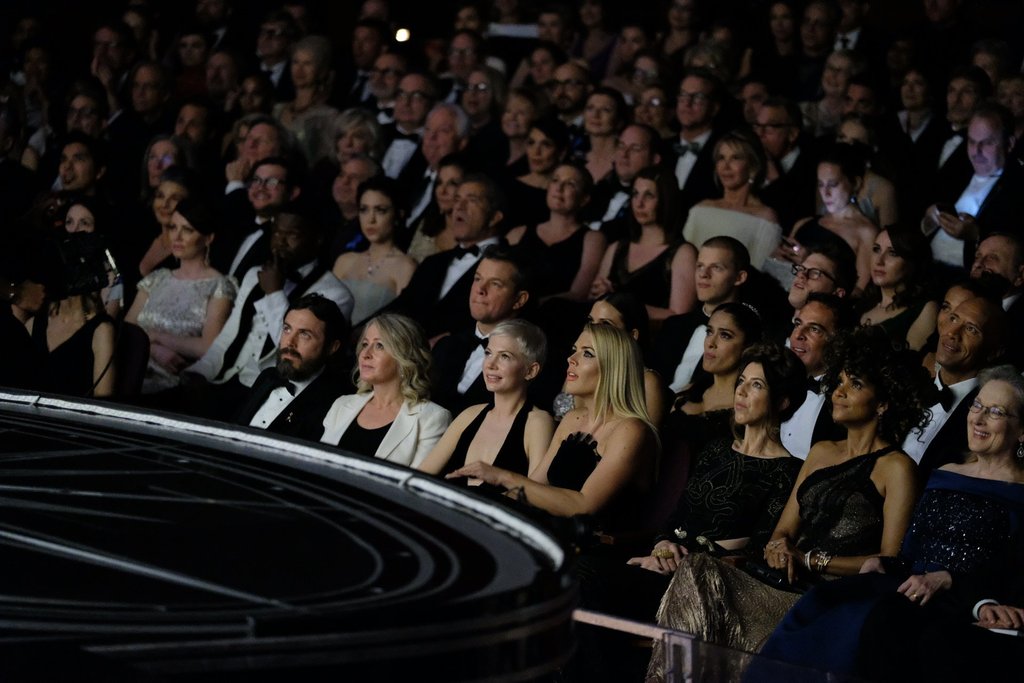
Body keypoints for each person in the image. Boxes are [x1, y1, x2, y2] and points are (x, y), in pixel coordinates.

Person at [647, 325, 930, 672]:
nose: (838, 393)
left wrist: (812, 560)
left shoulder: (897, 468)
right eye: (838, 381)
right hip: (778, 579)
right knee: (695, 572)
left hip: (829, 599)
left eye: (854, 384)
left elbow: (891, 563)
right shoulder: (822, 452)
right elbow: (782, 532)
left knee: (697, 575)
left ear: (884, 402)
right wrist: (780, 547)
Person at [761, 365, 1024, 681]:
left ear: (1021, 430)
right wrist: (883, 562)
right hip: (907, 584)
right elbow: (910, 551)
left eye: (995, 412)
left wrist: (952, 582)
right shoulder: (944, 472)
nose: (978, 419)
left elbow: (1008, 571)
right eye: (977, 405)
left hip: (957, 599)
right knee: (824, 603)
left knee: (879, 620)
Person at [446, 323, 658, 532]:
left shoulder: (632, 430)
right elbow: (534, 487)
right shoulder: (572, 419)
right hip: (551, 530)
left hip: (594, 549)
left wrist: (502, 477)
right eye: (574, 350)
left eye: (587, 354)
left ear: (614, 367)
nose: (570, 359)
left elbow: (585, 506)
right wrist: (481, 507)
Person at [627, 342, 806, 582]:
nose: (740, 391)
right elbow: (674, 520)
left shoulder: (787, 470)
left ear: (782, 402)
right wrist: (664, 547)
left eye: (756, 385)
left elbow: (758, 548)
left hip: (709, 581)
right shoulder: (716, 448)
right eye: (741, 381)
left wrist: (681, 560)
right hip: (664, 565)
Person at [418, 319, 555, 487]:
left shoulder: (538, 422)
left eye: (505, 356)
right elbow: (420, 476)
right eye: (488, 353)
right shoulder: (470, 414)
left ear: (531, 371)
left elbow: (536, 496)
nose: (490, 364)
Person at [125, 198, 237, 393]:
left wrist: (155, 336)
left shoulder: (219, 286)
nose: (176, 237)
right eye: (172, 227)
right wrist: (151, 348)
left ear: (208, 238)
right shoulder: (156, 278)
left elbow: (208, 346)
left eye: (187, 230)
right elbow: (125, 331)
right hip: (130, 371)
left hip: (174, 387)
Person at [320, 313, 452, 468]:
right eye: (364, 344)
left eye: (379, 345)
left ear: (405, 358)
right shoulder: (341, 404)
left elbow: (413, 487)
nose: (365, 354)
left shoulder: (432, 418)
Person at [232, 294, 350, 442]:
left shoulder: (335, 405)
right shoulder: (267, 377)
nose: (289, 342)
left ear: (332, 347)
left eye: (305, 335)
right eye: (287, 329)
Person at [590, 165, 697, 321]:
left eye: (649, 195)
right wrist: (599, 292)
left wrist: (620, 304)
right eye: (635, 194)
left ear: (666, 199)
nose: (639, 203)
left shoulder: (682, 253)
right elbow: (592, 299)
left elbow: (679, 316)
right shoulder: (617, 248)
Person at [781, 143, 878, 293]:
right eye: (821, 184)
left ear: (855, 183)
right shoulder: (804, 223)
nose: (825, 193)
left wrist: (810, 264)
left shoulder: (866, 232)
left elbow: (858, 290)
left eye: (833, 184)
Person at [668, 301, 764, 451]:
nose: (710, 343)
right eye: (709, 332)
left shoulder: (748, 410)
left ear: (748, 347)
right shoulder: (688, 392)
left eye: (725, 335)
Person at [682, 128, 782, 269]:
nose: (726, 166)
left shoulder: (765, 218)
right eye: (721, 158)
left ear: (752, 165)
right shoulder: (699, 210)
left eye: (735, 158)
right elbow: (683, 263)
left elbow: (762, 273)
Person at [506, 162, 605, 301]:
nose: (559, 188)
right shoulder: (517, 233)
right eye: (555, 180)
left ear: (584, 199)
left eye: (570, 184)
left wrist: (528, 305)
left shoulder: (592, 239)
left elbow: (579, 293)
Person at [331, 176, 416, 325]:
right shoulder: (344, 260)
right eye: (364, 210)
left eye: (380, 210)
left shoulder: (405, 266)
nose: (371, 219)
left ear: (398, 214)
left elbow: (403, 324)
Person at [857, 226, 938, 352]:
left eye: (893, 253)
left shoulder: (925, 309)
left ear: (912, 262)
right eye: (876, 249)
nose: (879, 261)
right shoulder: (861, 304)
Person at [62, 198, 124, 318]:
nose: (74, 230)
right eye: (69, 222)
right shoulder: (55, 266)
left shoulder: (113, 277)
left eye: (84, 223)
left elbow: (104, 323)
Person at [405, 153, 467, 263]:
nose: (442, 191)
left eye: (452, 183)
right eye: (439, 182)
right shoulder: (426, 224)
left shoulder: (472, 236)